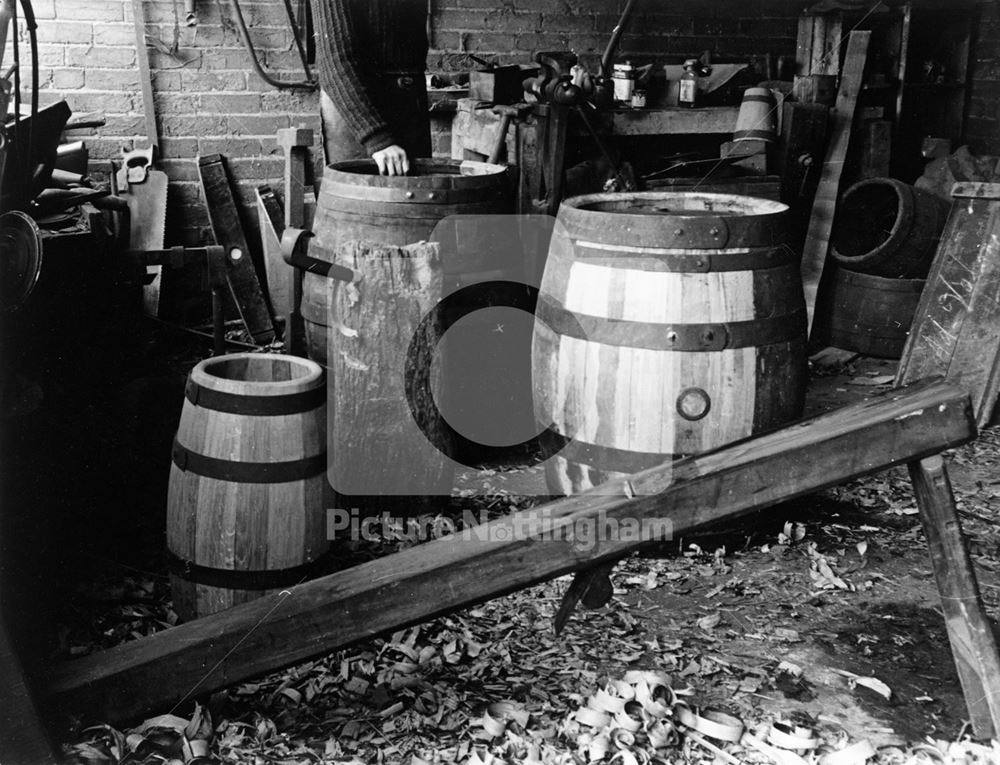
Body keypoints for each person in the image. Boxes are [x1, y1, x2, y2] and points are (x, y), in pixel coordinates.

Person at [311, 0, 432, 175]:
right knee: (366, 200)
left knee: (416, 199)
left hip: (410, 108)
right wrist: (377, 139)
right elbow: (335, 62)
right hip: (362, 115)